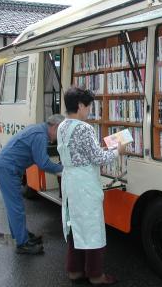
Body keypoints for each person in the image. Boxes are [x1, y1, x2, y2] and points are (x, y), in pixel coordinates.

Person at [57, 87, 125, 285]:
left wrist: (104, 148)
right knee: (92, 228)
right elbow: (97, 158)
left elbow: (84, 152)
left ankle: (75, 270)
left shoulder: (62, 126)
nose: (89, 111)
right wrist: (117, 150)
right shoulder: (84, 128)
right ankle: (96, 275)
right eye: (88, 107)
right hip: (85, 183)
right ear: (80, 106)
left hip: (70, 181)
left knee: (75, 226)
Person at [0, 114, 64, 254]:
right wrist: (63, 169)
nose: (61, 136)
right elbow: (43, 163)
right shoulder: (40, 136)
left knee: (14, 206)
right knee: (16, 207)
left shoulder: (38, 130)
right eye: (61, 132)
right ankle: (23, 244)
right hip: (7, 169)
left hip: (6, 167)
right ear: (55, 127)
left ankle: (21, 235)